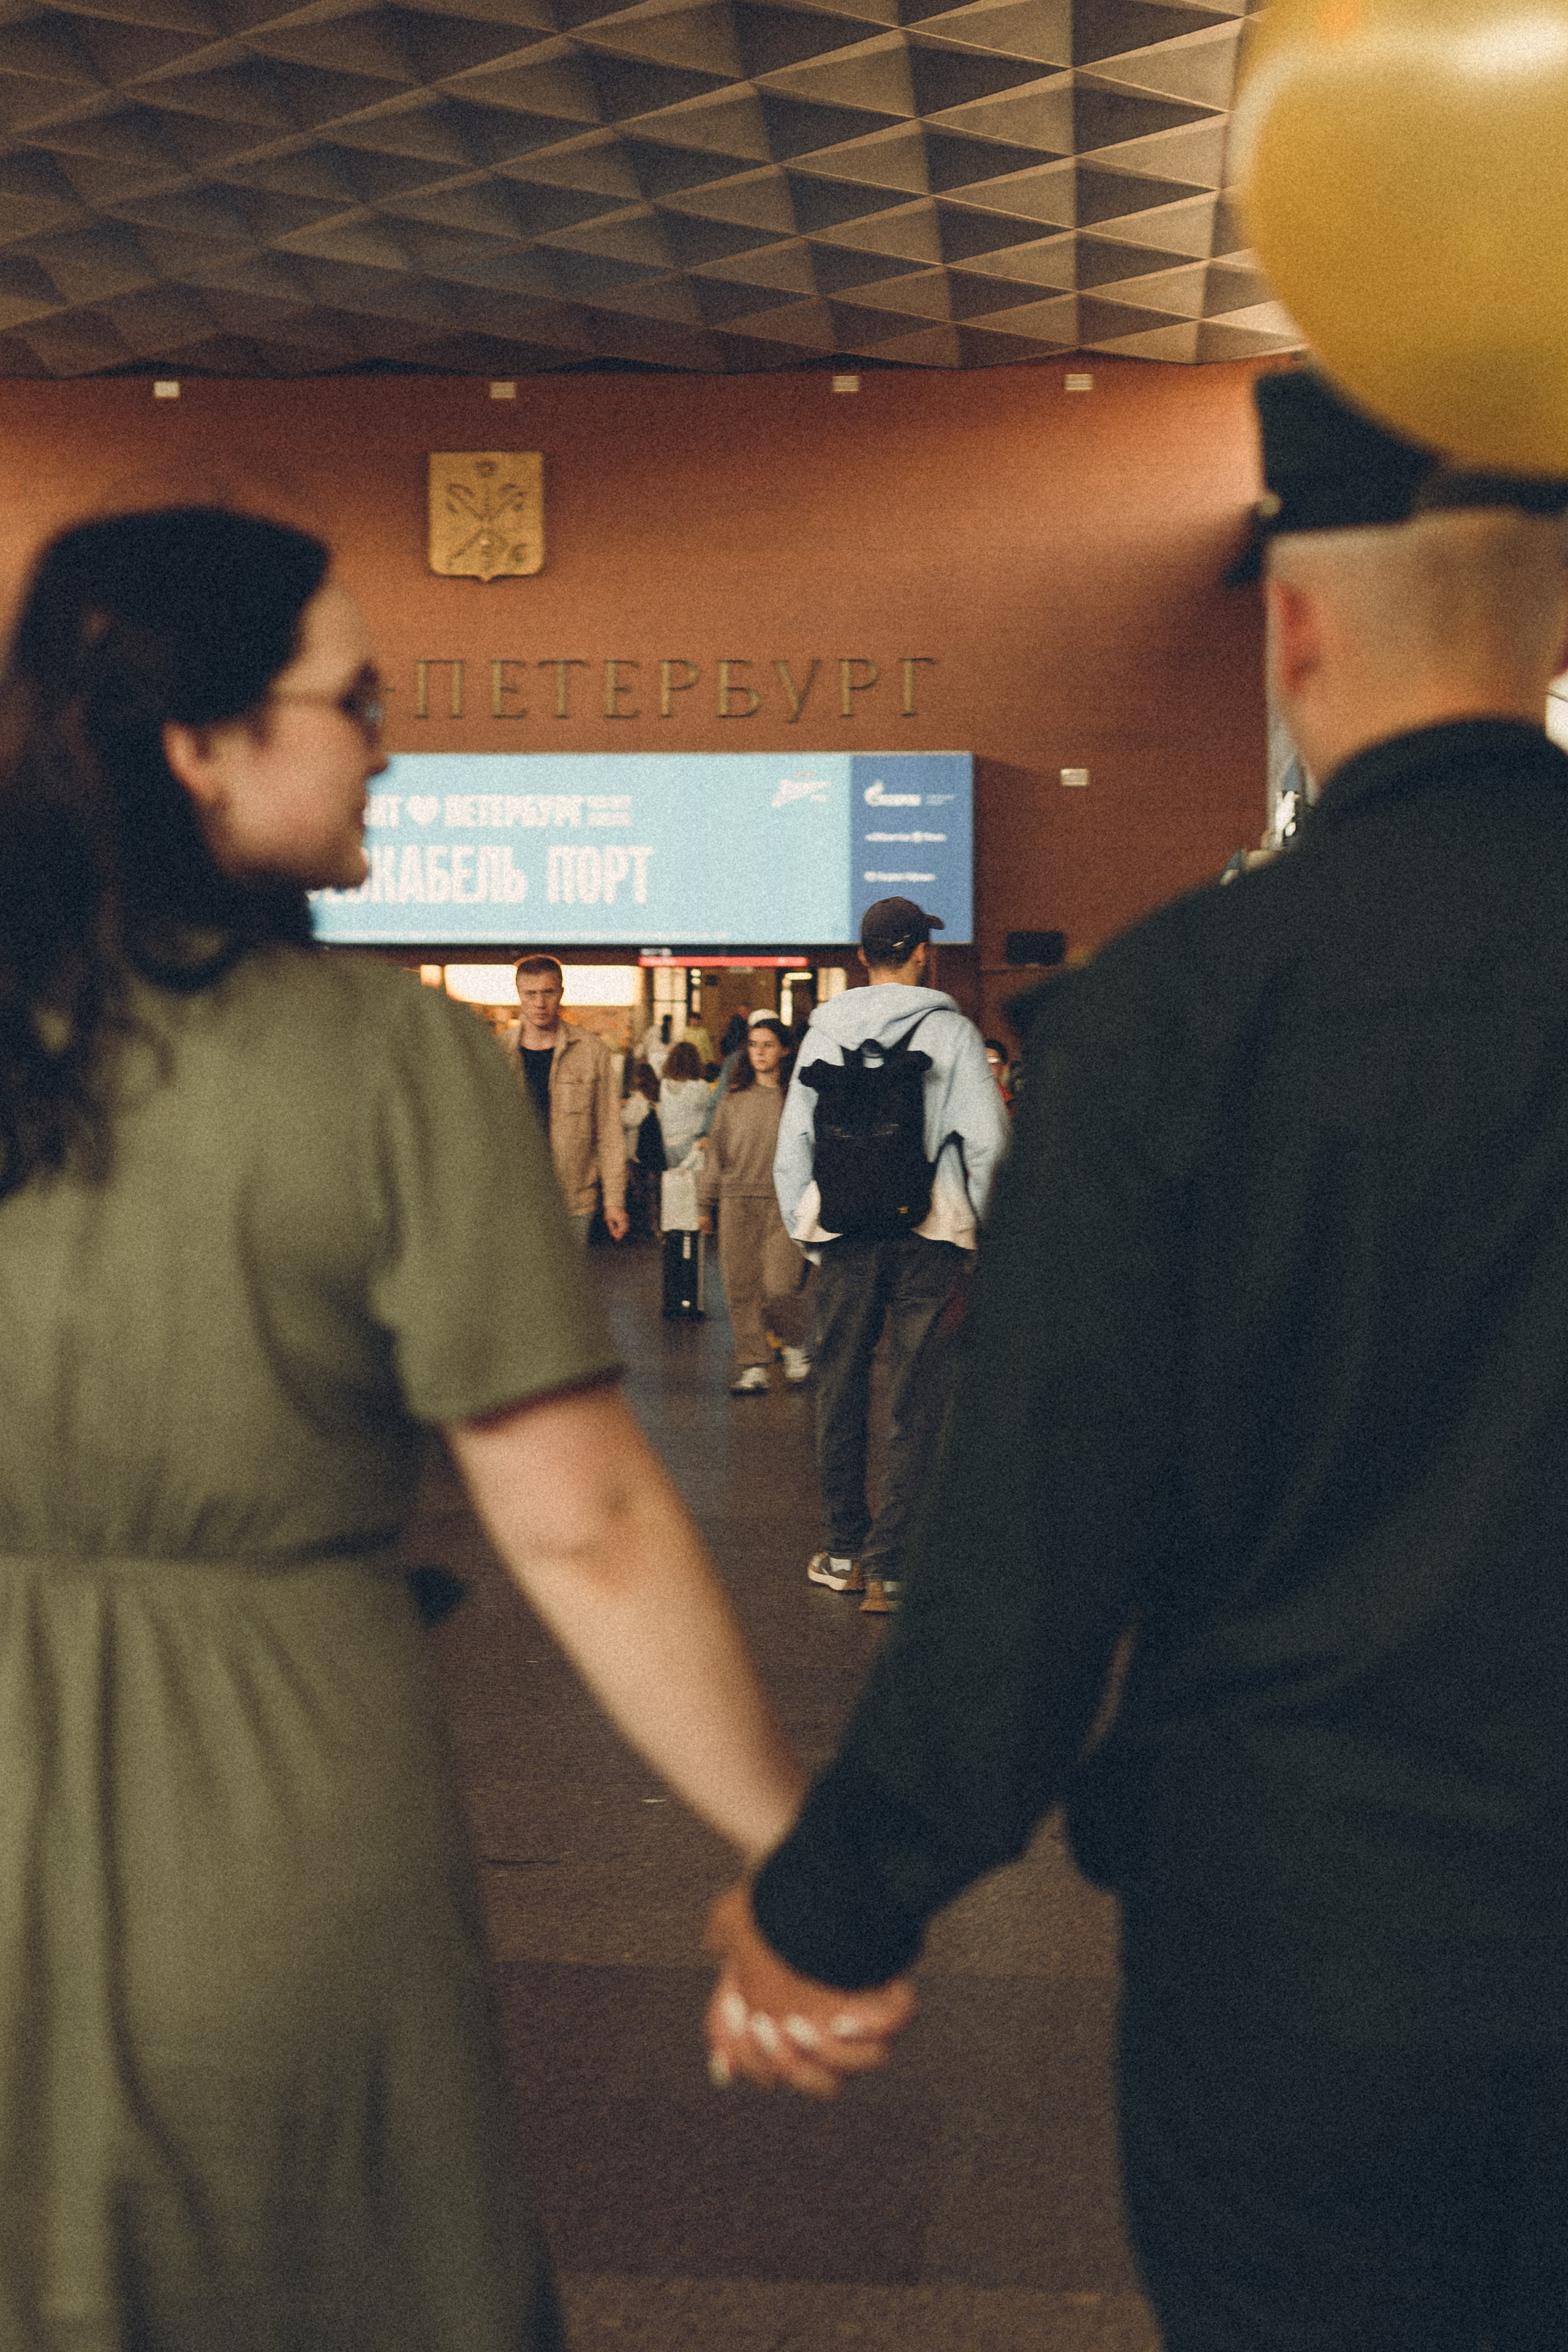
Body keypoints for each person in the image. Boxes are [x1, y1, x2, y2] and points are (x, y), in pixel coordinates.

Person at [704, 371, 1568, 2351]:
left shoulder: (1177, 1020)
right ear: (1553, 624)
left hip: (1305, 1965)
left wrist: (836, 1906)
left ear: (1294, 623)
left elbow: (1028, 1549)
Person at [0, 505, 807, 2351]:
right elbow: (582, 1512)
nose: (389, 734)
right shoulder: (388, 1063)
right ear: (198, 740)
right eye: (353, 693)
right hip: (273, 1795)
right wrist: (790, 1842)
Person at [774, 897, 1009, 1614]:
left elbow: (795, 1150)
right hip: (928, 1237)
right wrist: (984, 1234)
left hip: (843, 1235)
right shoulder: (952, 1033)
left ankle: (843, 1551)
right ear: (918, 953)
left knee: (838, 1389)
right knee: (919, 1398)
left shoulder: (820, 1036)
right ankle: (891, 1566)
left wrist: (810, 1234)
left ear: (861, 958)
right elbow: (988, 1144)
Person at [697, 1017, 813, 1396]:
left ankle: (794, 1347)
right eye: (753, 1045)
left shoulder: (798, 1098)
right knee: (741, 1288)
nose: (759, 1052)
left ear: (784, 1050)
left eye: (767, 1044)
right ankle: (753, 1365)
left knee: (780, 1287)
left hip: (785, 1203)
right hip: (736, 1203)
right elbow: (717, 1153)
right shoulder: (733, 1098)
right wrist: (705, 1203)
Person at [499, 956, 628, 1245]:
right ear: (519, 995)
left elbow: (609, 1131)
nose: (539, 1003)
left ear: (561, 993)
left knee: (564, 1289)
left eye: (548, 992)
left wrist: (615, 1201)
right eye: (530, 993)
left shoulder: (591, 1051)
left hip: (572, 1200)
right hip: (510, 1197)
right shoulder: (497, 1052)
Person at [657, 1037, 712, 1169]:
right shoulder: (700, 1087)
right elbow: (711, 1113)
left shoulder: (664, 1085)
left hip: (668, 1145)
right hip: (692, 1145)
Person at [983, 1037, 1014, 1110]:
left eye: (993, 1062)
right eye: (983, 1061)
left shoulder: (1009, 1103)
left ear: (1004, 1068)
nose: (986, 1067)